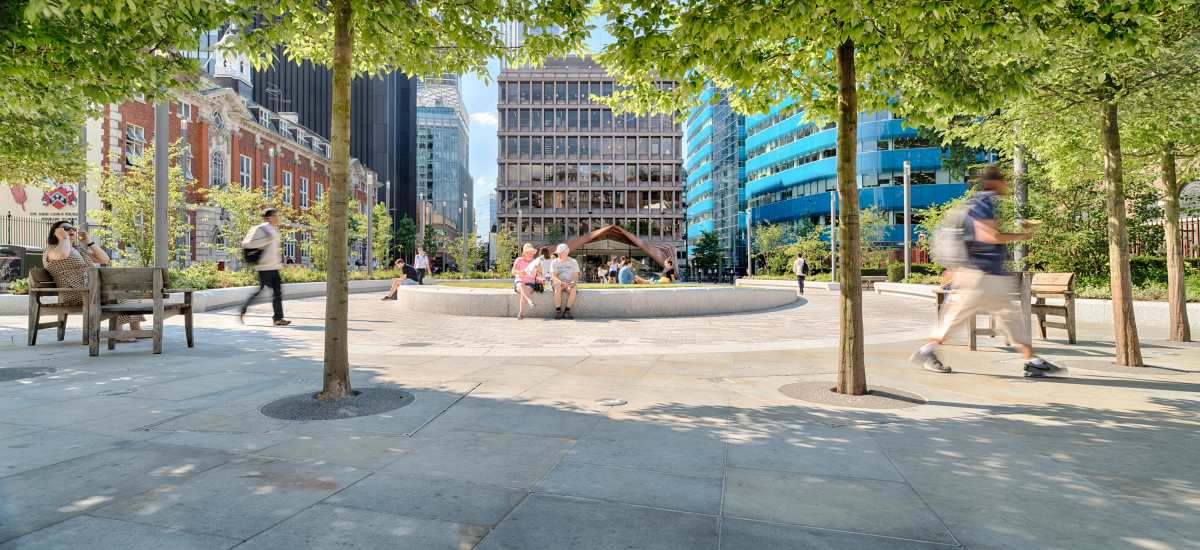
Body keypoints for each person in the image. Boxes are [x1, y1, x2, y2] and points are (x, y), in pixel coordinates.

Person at [910, 165, 1057, 378]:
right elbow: (989, 237)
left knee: (1003, 316)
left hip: (982, 275)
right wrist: (1021, 237)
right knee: (965, 317)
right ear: (994, 182)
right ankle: (927, 351)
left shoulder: (974, 204)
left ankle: (1031, 360)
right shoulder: (983, 203)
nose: (1006, 185)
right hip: (982, 275)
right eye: (1004, 181)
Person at [42, 220, 145, 342]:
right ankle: (117, 332)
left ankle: (136, 329)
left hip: (91, 288)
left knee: (130, 290)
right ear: (56, 232)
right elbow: (63, 254)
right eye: (65, 228)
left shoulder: (78, 250)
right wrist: (64, 238)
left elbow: (105, 259)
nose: (71, 230)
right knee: (117, 293)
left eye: (73, 228)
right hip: (75, 292)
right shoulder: (51, 250)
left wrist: (89, 242)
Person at [239, 208, 291, 326]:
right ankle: (243, 309)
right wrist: (266, 240)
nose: (277, 217)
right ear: (268, 217)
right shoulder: (260, 228)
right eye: (275, 215)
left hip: (274, 266)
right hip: (264, 267)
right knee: (260, 291)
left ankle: (278, 318)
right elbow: (246, 243)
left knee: (277, 292)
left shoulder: (274, 230)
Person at [550, 243, 580, 319]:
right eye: (558, 253)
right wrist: (560, 282)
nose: (559, 254)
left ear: (567, 252)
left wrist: (573, 282)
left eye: (561, 252)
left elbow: (576, 275)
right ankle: (558, 311)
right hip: (558, 282)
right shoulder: (554, 262)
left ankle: (567, 310)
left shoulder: (573, 262)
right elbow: (553, 276)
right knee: (557, 288)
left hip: (569, 282)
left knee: (573, 290)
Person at [511, 243, 538, 319]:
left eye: (531, 253)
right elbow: (513, 271)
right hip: (519, 281)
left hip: (530, 282)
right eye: (528, 253)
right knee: (522, 286)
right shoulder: (519, 260)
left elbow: (538, 274)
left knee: (525, 290)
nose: (531, 254)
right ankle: (529, 301)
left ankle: (521, 313)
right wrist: (519, 272)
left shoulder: (535, 261)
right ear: (524, 253)